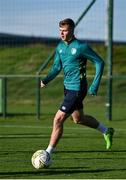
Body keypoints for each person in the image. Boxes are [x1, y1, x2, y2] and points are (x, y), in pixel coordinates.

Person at [40, 18, 114, 165]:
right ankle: (106, 131)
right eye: (60, 30)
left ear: (72, 30)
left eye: (65, 30)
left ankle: (47, 154)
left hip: (78, 89)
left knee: (58, 119)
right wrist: (46, 80)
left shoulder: (81, 46)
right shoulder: (60, 47)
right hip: (67, 88)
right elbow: (56, 67)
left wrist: (95, 85)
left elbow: (100, 62)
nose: (62, 33)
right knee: (78, 119)